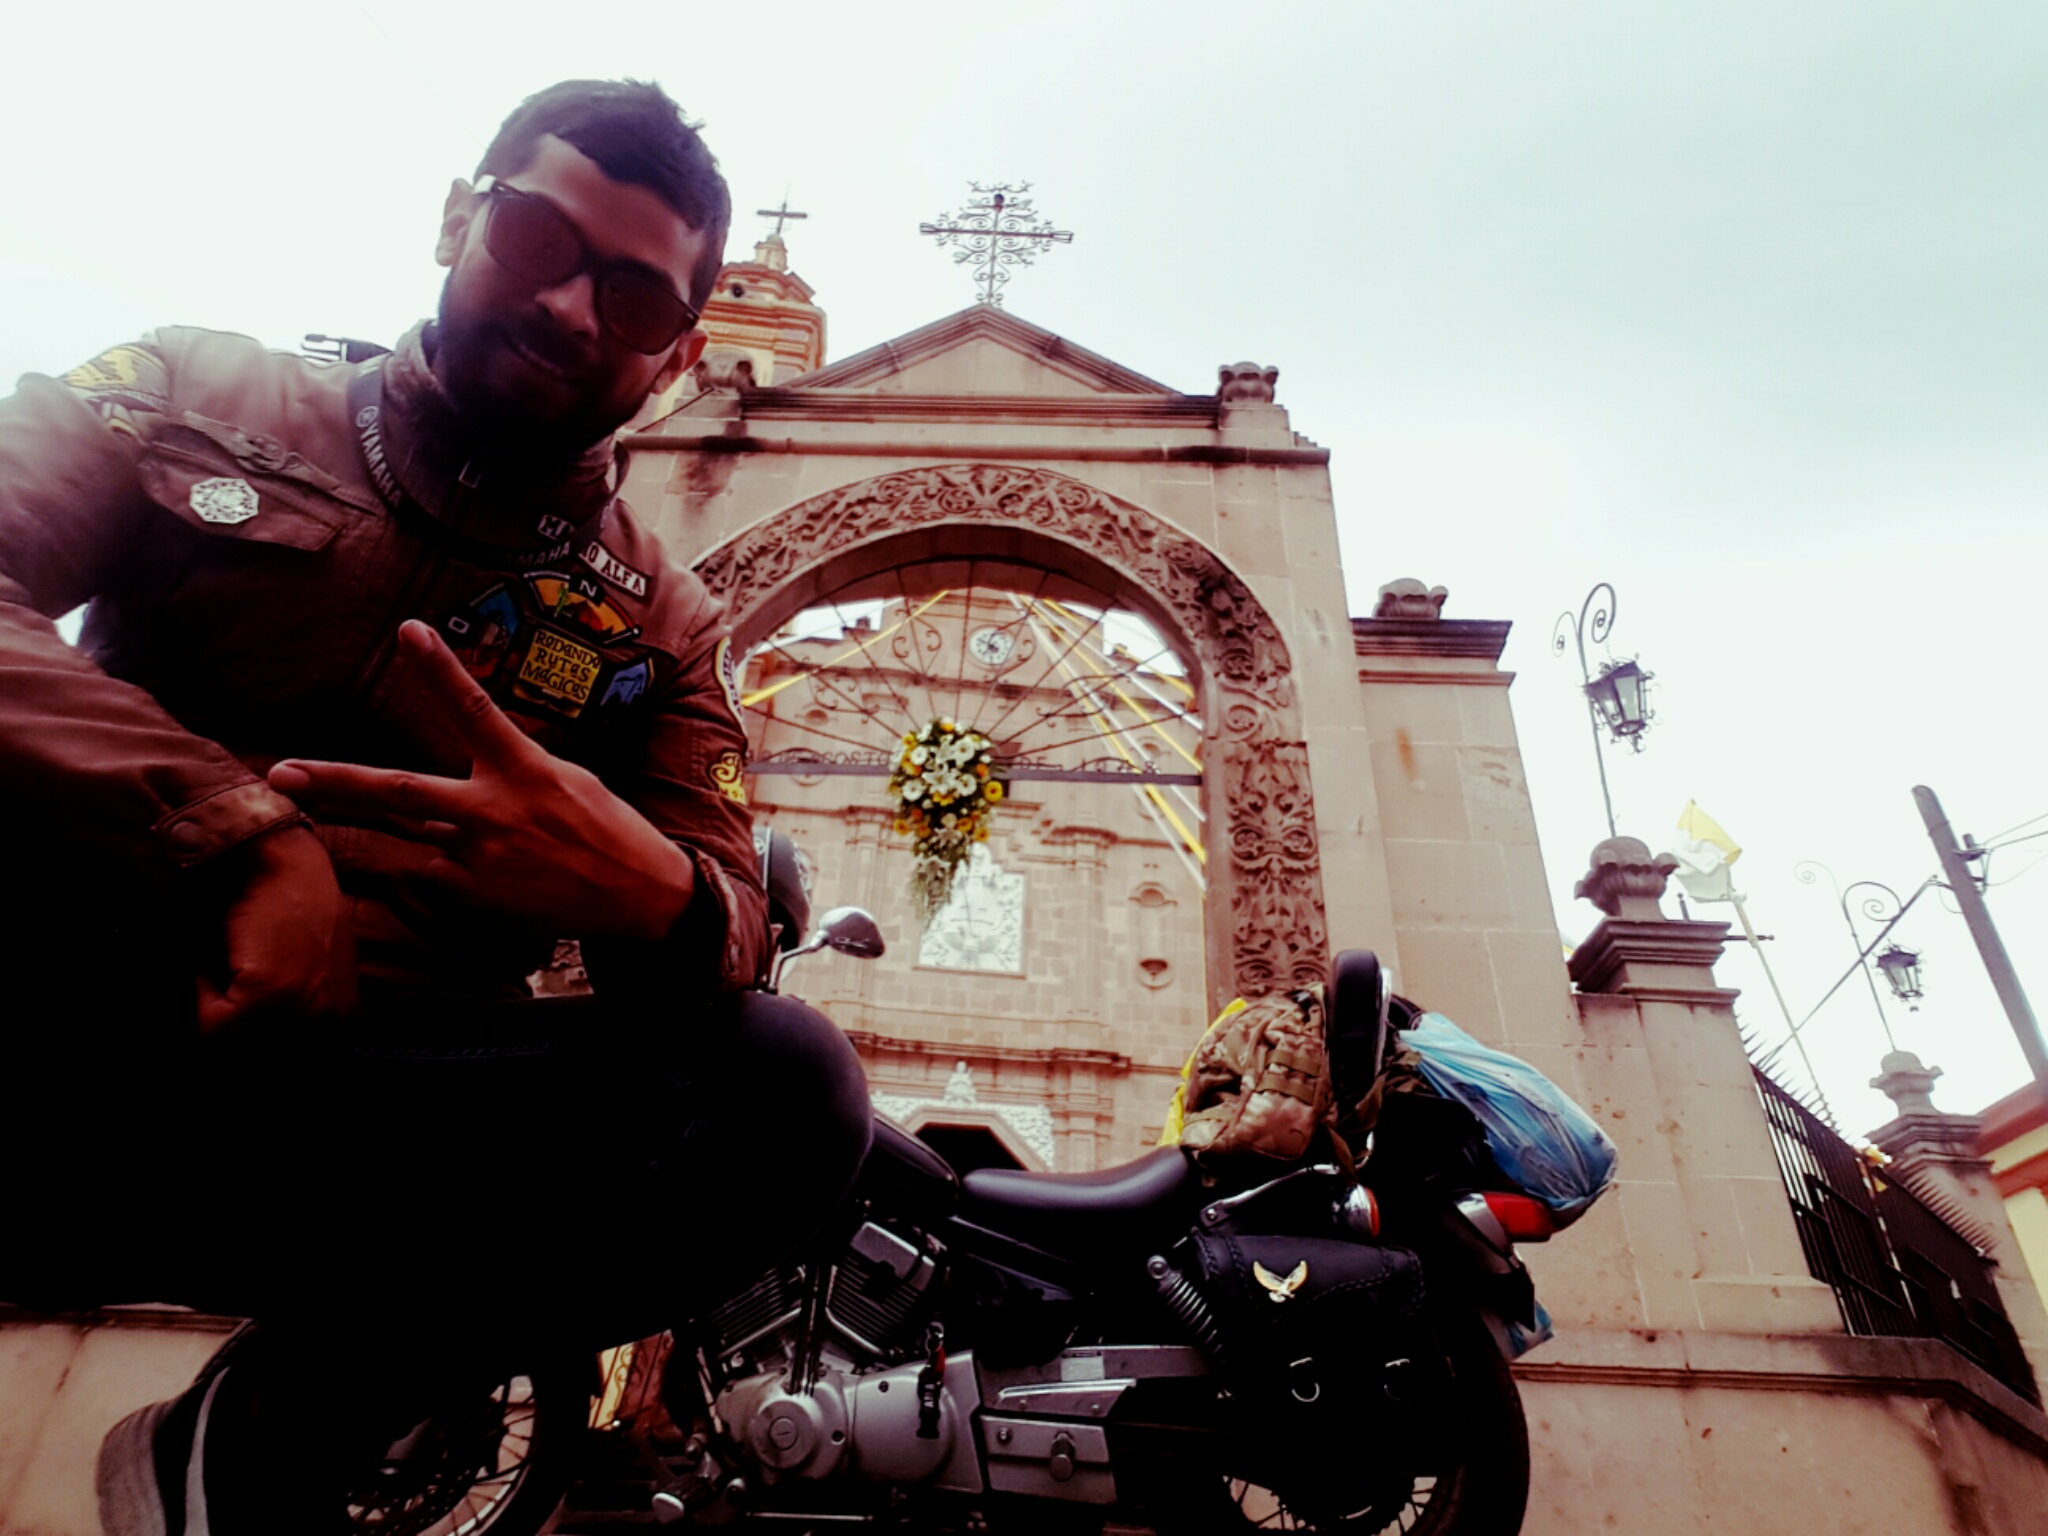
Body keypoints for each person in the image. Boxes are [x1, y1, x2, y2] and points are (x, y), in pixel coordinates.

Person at [0, 79, 871, 1536]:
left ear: (680, 350)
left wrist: (653, 896)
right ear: (460, 217)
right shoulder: (193, 389)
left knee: (786, 1088)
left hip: (368, 1120)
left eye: (635, 299)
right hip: (72, 1007)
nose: (572, 310)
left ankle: (258, 1446)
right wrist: (229, 833)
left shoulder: (662, 623)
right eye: (538, 241)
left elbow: (729, 898)